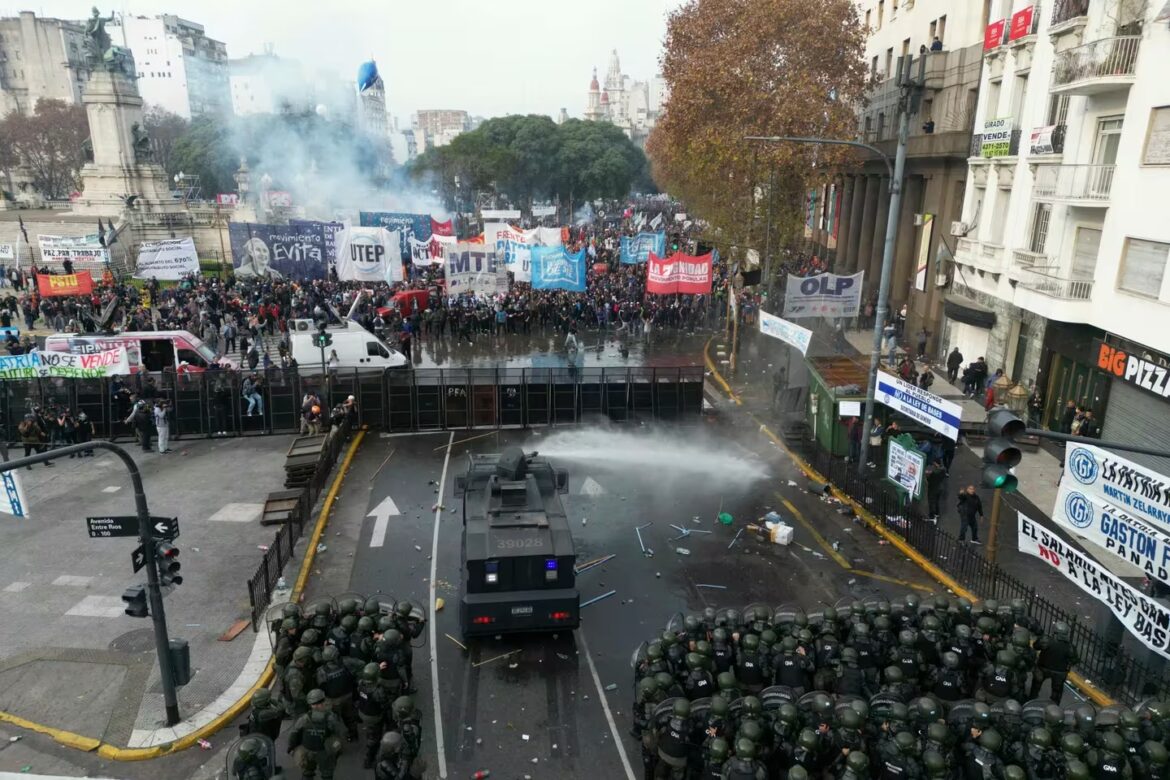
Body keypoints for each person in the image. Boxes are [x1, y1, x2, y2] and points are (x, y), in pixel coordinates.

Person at [286, 689, 343, 779]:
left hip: (307, 750)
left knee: (307, 773)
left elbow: (294, 733)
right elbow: (337, 734)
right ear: (323, 701)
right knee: (327, 774)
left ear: (310, 704)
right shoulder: (330, 718)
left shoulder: (304, 718)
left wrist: (291, 747)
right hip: (324, 752)